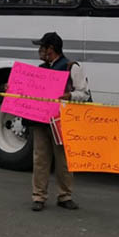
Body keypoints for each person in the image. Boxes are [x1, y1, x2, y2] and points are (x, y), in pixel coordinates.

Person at [27, 32, 90, 212]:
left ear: (51, 49)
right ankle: (38, 196)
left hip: (62, 122)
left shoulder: (71, 67)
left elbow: (84, 94)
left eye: (42, 47)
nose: (39, 51)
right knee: (40, 159)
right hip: (41, 120)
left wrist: (68, 95)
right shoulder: (41, 69)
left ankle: (65, 196)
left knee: (63, 160)